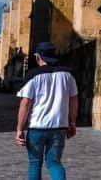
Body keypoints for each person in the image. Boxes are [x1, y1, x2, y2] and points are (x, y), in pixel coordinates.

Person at [15, 42, 78, 180]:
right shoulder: (68, 74)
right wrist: (72, 122)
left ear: (38, 57)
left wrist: (20, 129)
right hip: (59, 126)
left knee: (35, 164)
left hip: (37, 126)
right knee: (54, 163)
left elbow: (25, 103)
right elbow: (73, 100)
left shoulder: (33, 75)